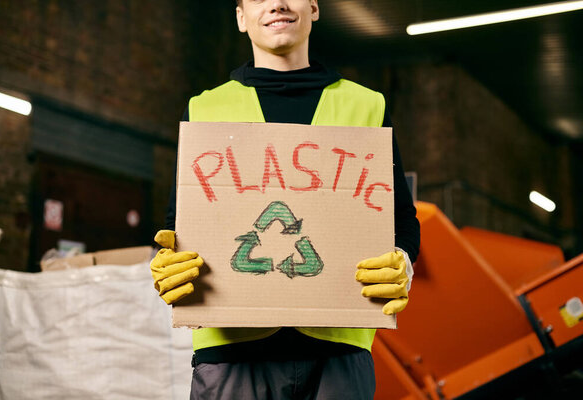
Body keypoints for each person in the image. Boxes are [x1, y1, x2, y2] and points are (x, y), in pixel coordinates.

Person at [150, 1, 420, 398]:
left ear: (313, 7)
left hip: (337, 349)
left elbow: (402, 219)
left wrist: (404, 263)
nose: (276, 3)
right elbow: (180, 223)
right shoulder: (205, 108)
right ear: (241, 17)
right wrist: (166, 262)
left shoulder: (366, 106)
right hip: (232, 351)